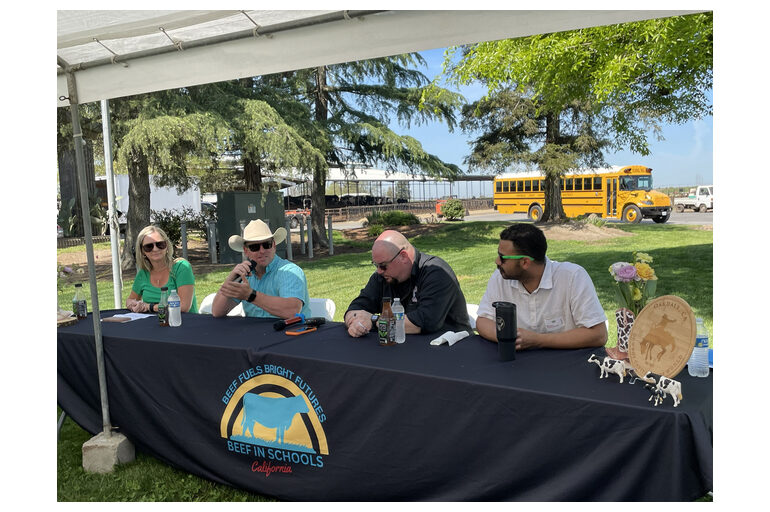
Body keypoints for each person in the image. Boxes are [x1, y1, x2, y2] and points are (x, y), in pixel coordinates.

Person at [476, 223, 607, 350]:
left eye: (502, 257)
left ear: (525, 262)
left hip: (567, 363)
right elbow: (482, 321)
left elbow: (598, 335)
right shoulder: (500, 277)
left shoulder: (572, 277)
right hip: (516, 365)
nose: (497, 261)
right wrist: (510, 338)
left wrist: (538, 340)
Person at [344, 229, 472, 337]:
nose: (379, 271)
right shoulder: (383, 277)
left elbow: (423, 322)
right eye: (376, 265)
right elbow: (355, 307)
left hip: (450, 348)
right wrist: (355, 320)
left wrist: (372, 319)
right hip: (404, 349)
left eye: (383, 265)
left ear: (403, 256)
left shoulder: (436, 272)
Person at [211, 219, 311, 319]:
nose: (262, 251)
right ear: (246, 251)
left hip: (290, 332)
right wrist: (231, 278)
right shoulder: (245, 274)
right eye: (255, 247)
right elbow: (217, 311)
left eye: (266, 244)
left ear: (274, 246)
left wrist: (251, 295)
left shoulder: (290, 271)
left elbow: (292, 311)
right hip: (255, 333)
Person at [126, 225, 198, 313]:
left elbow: (183, 306)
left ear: (166, 245)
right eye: (149, 247)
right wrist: (133, 304)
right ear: (142, 251)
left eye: (160, 244)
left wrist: (150, 307)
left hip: (185, 323)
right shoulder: (143, 273)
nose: (155, 249)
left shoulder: (181, 267)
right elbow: (130, 300)